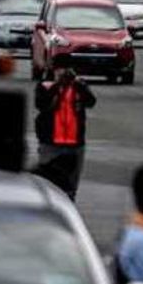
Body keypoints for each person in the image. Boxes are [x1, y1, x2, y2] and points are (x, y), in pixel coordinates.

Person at [34, 62, 96, 201]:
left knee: (71, 184)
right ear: (54, 71)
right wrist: (58, 86)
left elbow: (91, 101)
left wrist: (79, 85)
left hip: (74, 143)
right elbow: (41, 105)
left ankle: (69, 204)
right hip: (51, 143)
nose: (63, 74)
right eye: (60, 70)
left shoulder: (78, 86)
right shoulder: (46, 86)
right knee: (47, 181)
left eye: (67, 70)